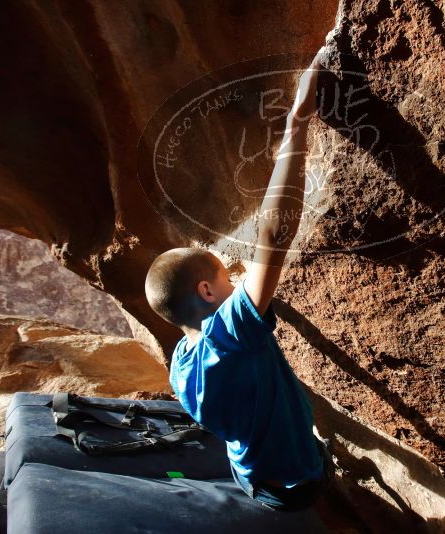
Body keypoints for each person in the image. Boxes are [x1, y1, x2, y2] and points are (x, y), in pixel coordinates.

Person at [144, 48, 334, 512]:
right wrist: (297, 126)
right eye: (228, 276)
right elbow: (273, 237)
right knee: (317, 475)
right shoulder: (228, 335)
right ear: (207, 293)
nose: (239, 277)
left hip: (251, 473)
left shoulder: (183, 360)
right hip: (295, 483)